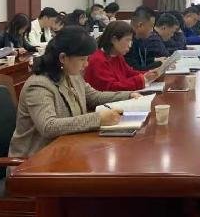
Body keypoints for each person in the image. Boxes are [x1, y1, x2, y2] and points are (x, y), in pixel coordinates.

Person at [8, 26, 139, 159]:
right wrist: (98, 119)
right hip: (35, 160)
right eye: (82, 59)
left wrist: (128, 95)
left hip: (66, 149)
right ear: (63, 58)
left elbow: (94, 96)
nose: (86, 64)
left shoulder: (72, 75)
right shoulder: (39, 85)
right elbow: (48, 126)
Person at [84, 21, 161, 92]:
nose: (130, 45)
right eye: (127, 40)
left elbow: (129, 73)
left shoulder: (117, 55)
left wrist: (149, 74)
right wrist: (141, 80)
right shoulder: (98, 60)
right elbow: (110, 88)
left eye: (131, 41)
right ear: (114, 40)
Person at [124, 6, 163, 71]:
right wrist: (160, 64)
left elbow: (141, 60)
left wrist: (155, 60)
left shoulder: (139, 38)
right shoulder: (127, 42)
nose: (152, 30)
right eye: (151, 26)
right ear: (140, 25)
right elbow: (136, 70)